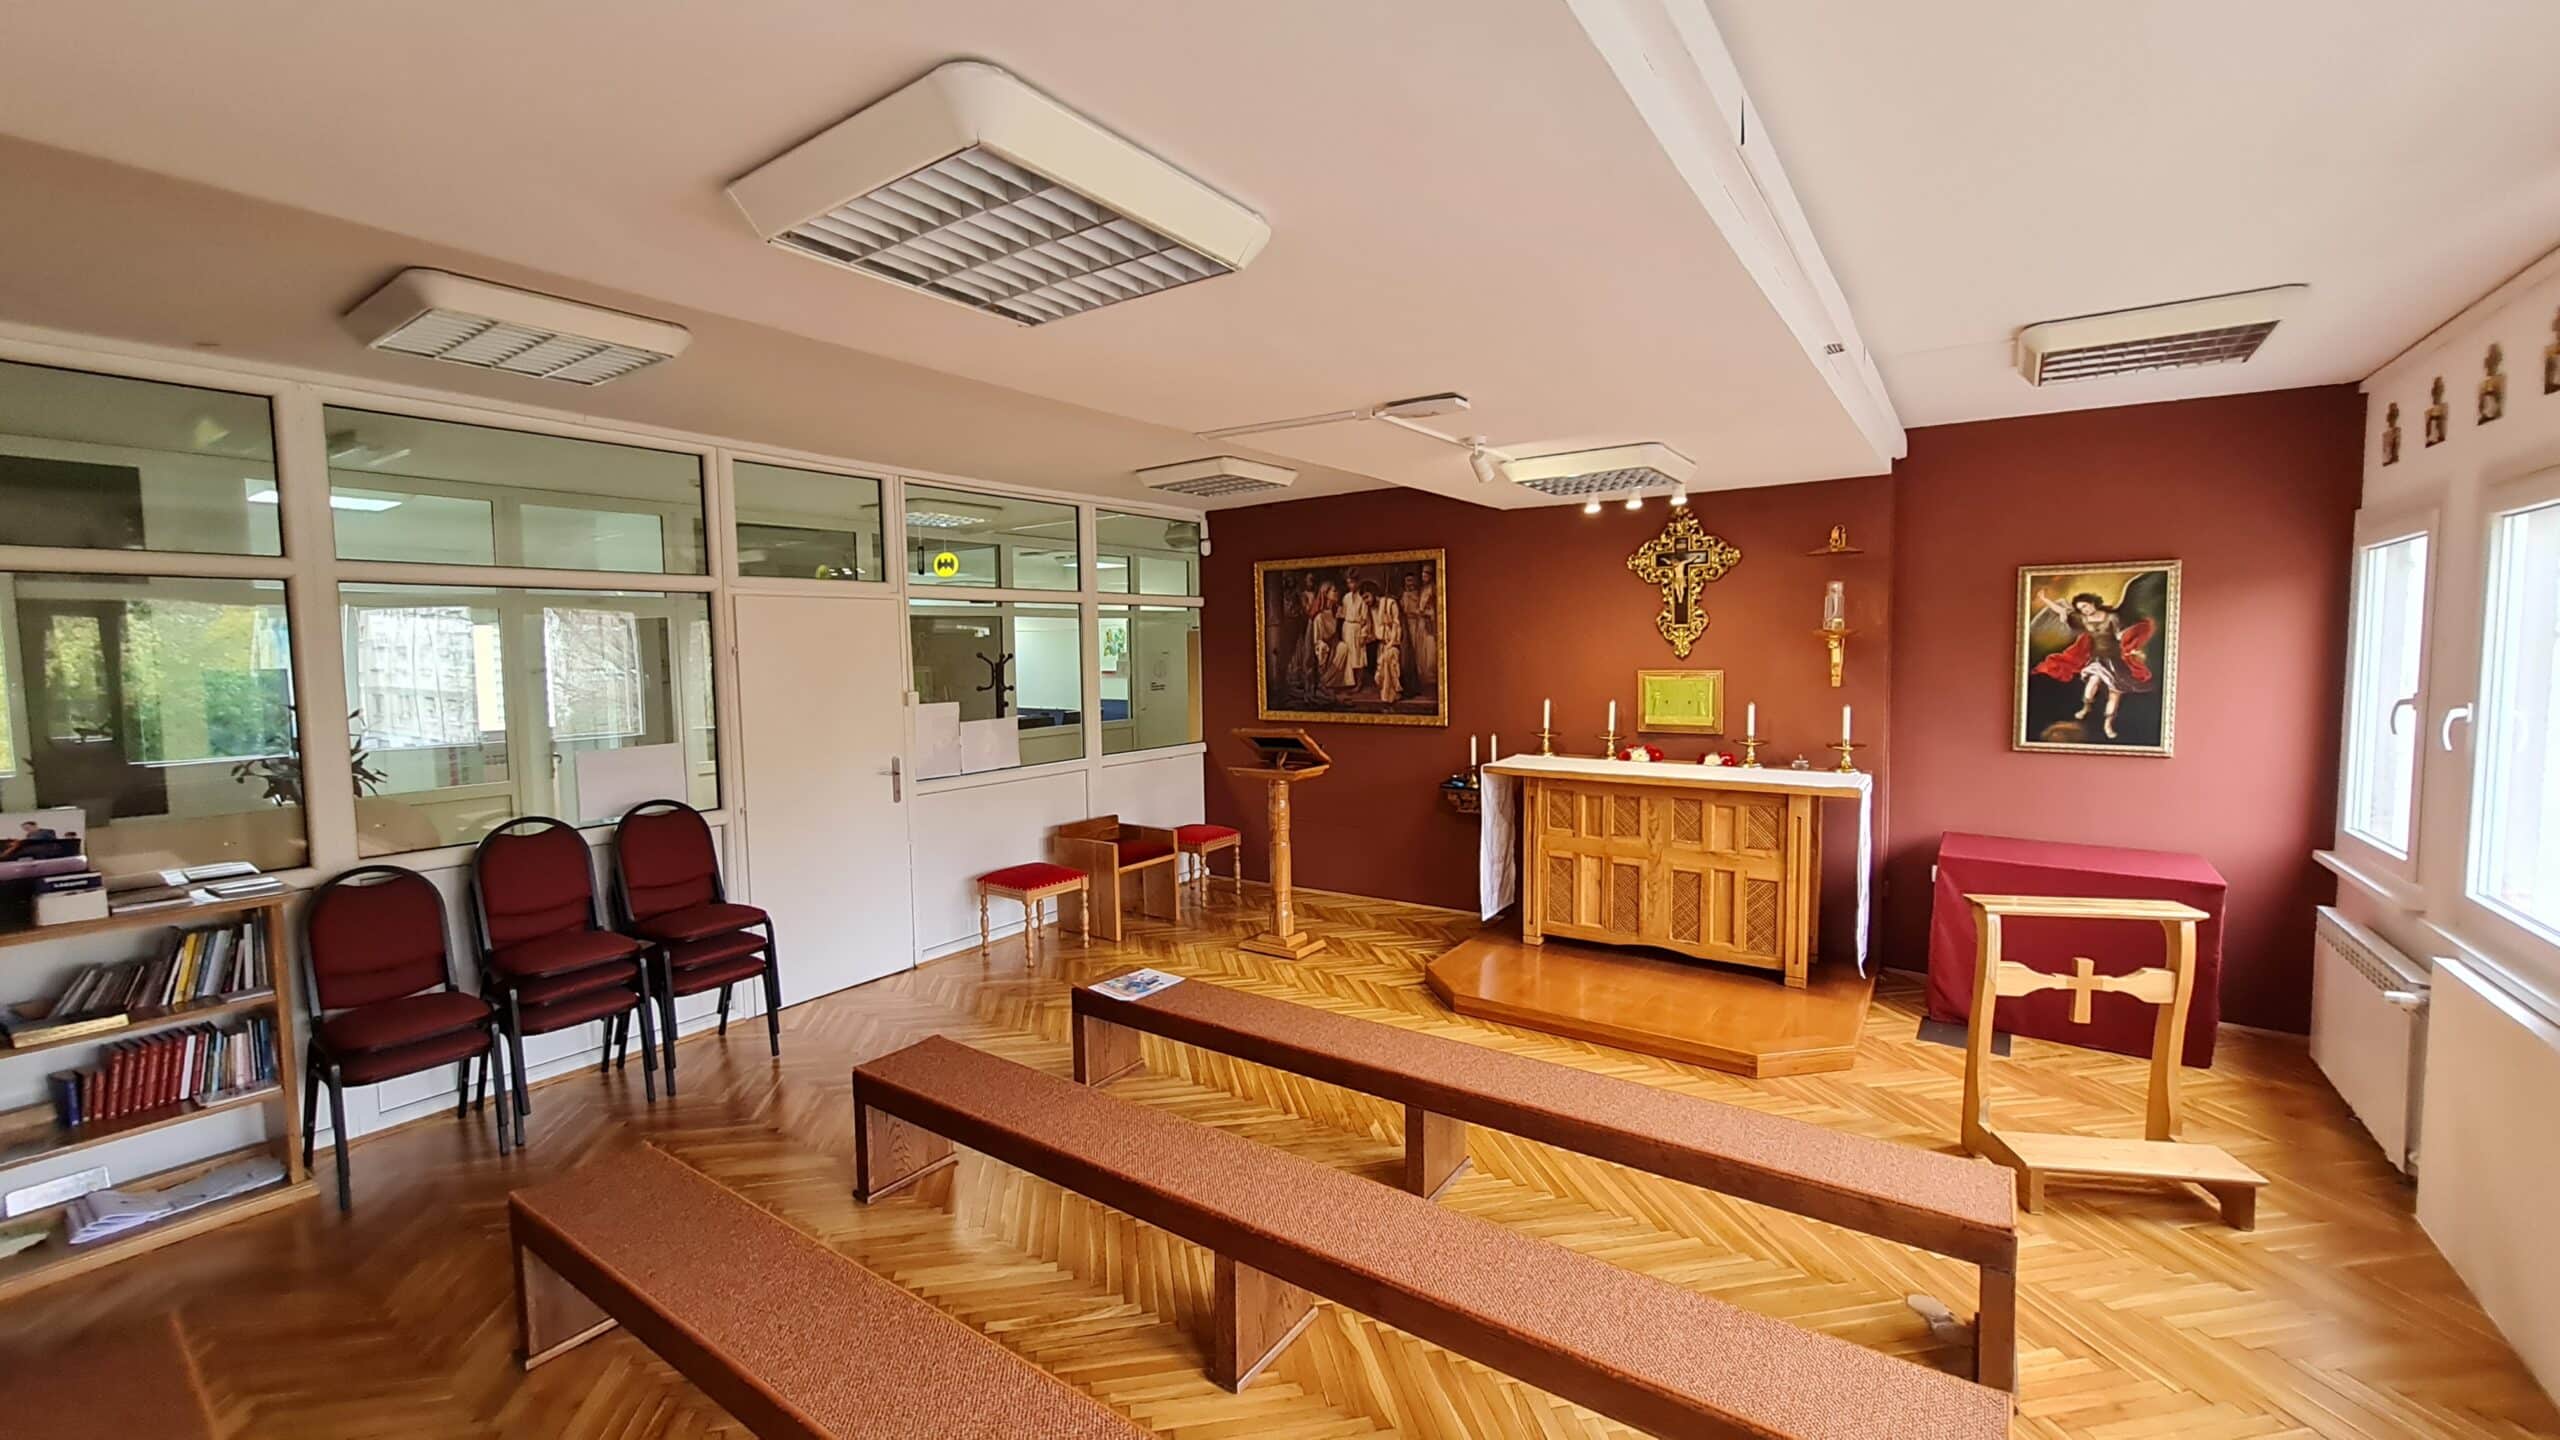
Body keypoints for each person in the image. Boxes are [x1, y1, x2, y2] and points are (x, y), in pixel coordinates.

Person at [2031, 588, 2156, 740]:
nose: (2084, 610)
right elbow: (2061, 611)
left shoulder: (2112, 618)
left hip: (2115, 661)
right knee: (2092, 682)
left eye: (2085, 606)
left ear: (2093, 603)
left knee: (2114, 695)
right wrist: (2044, 599)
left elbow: (2121, 636)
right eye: (2081, 608)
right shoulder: (2083, 619)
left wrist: (2133, 649)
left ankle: (2108, 725)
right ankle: (2086, 707)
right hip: (2098, 659)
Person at [1330, 576, 1370, 692]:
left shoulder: (1362, 598)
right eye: (1348, 583)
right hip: (1347, 628)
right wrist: (1337, 610)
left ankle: (1359, 682)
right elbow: (1342, 614)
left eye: (1352, 583)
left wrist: (1363, 634)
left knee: (1358, 656)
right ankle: (1350, 681)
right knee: (1349, 656)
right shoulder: (1346, 597)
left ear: (1357, 583)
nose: (1350, 586)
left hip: (1357, 628)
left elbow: (1366, 619)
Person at [1369, 580, 1405, 706]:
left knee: (1390, 663)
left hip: (1392, 643)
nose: (1366, 601)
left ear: (1373, 593)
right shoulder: (1372, 609)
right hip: (1382, 644)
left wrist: (1392, 641)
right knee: (1381, 672)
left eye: (1367, 597)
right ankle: (1386, 695)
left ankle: (1392, 696)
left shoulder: (1390, 603)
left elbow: (1396, 624)